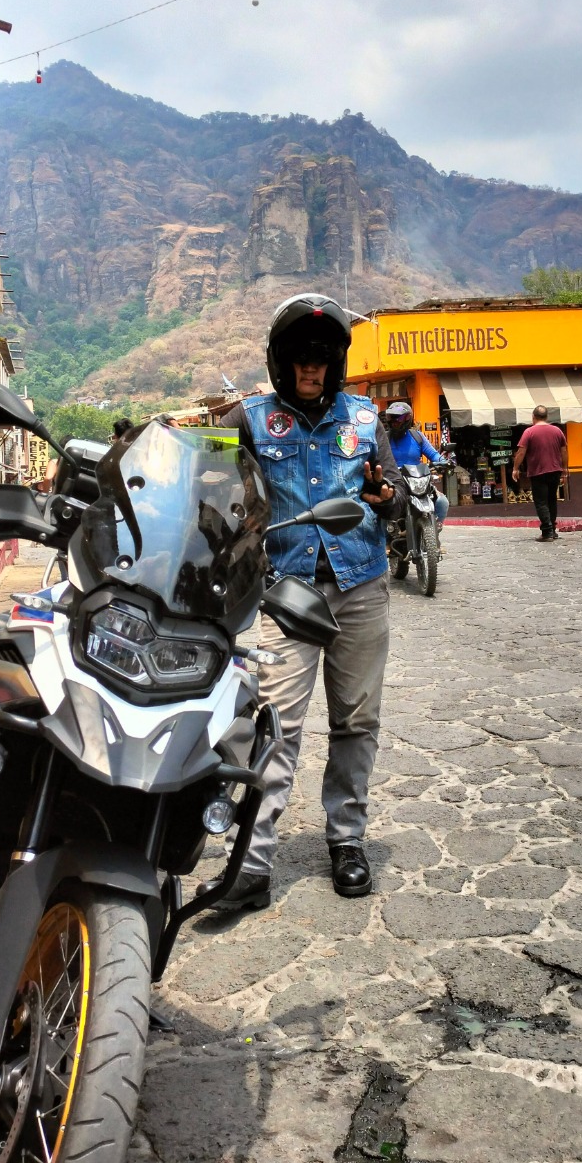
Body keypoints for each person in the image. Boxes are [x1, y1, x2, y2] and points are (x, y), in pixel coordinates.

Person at [207, 292, 405, 909]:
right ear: (281, 362)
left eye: (322, 358)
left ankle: (346, 839)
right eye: (301, 358)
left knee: (355, 720)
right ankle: (253, 862)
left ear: (336, 364)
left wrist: (385, 495)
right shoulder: (251, 419)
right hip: (285, 593)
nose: (312, 367)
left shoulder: (366, 421)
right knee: (275, 725)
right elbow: (217, 494)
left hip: (360, 588)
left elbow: (393, 489)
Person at [383, 402, 450, 533]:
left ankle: (434, 531)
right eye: (391, 417)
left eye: (398, 418)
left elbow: (434, 455)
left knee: (442, 501)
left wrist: (444, 462)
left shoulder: (417, 437)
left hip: (416, 481)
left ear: (408, 419)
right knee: (380, 506)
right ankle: (385, 537)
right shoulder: (384, 439)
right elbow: (376, 457)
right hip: (394, 483)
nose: (394, 421)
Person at [512, 406, 568, 542]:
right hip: (555, 470)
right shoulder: (557, 431)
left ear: (533, 417)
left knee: (541, 501)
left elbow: (521, 452)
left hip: (538, 471)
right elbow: (564, 451)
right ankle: (553, 529)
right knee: (551, 500)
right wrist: (565, 469)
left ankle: (547, 531)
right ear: (546, 417)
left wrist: (515, 468)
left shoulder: (529, 432)